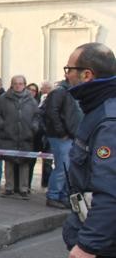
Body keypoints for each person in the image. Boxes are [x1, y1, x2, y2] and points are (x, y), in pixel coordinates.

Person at [62, 42, 116, 258]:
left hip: (105, 249)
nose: (66, 75)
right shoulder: (97, 108)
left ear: (87, 75)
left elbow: (110, 190)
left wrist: (88, 246)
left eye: (69, 69)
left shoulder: (108, 121)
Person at [0, 75, 40, 199]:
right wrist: (2, 125)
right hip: (8, 135)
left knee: (24, 163)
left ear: (24, 85)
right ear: (12, 85)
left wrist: (34, 127)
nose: (18, 85)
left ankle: (23, 189)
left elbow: (37, 116)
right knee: (9, 162)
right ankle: (9, 188)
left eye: (20, 83)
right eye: (15, 83)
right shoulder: (3, 98)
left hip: (26, 136)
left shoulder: (31, 100)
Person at [43, 79, 83, 209]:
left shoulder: (72, 92)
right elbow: (51, 112)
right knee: (62, 167)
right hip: (61, 136)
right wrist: (61, 132)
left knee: (68, 168)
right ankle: (53, 196)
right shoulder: (60, 92)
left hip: (70, 135)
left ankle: (63, 196)